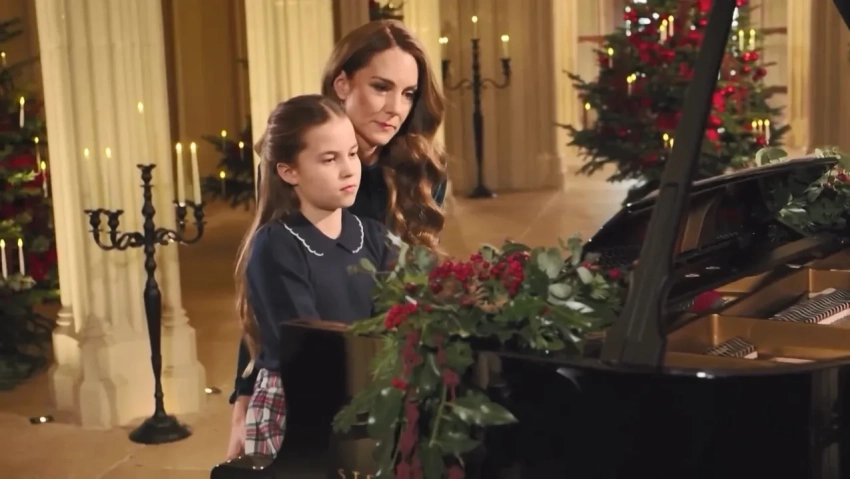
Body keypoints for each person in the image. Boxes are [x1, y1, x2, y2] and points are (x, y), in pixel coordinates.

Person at [227, 20, 448, 459]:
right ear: (342, 83)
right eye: (381, 87)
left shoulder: (420, 173)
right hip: (312, 369)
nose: (396, 109)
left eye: (408, 93)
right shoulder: (298, 159)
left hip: (377, 369)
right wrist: (243, 398)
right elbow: (273, 292)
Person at [234, 94, 393, 456]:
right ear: (289, 171)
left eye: (352, 154)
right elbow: (307, 348)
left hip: (364, 394)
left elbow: (395, 316)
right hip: (298, 404)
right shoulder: (277, 245)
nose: (348, 169)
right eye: (329, 159)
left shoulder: (374, 236)